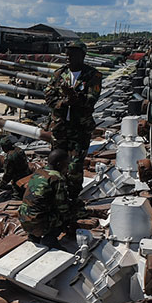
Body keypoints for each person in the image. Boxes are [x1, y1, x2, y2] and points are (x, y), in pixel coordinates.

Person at [44, 40, 101, 204]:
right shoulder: (58, 74)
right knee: (56, 163)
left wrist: (75, 99)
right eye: (67, 53)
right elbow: (49, 97)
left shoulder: (93, 75)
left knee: (75, 166)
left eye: (73, 54)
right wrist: (64, 102)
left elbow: (91, 99)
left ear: (82, 55)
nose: (68, 57)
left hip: (80, 128)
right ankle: (56, 196)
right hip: (60, 126)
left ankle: (73, 199)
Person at [18, 149, 72, 244]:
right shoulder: (57, 178)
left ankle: (33, 237)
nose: (68, 168)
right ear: (59, 165)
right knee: (68, 214)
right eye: (66, 164)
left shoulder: (38, 172)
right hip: (38, 225)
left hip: (24, 220)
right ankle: (50, 239)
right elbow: (63, 208)